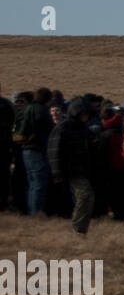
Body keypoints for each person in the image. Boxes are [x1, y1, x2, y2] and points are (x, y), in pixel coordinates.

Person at [47, 97, 94, 234]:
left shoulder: (83, 129)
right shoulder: (63, 128)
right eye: (83, 113)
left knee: (86, 197)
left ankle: (80, 228)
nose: (86, 117)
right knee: (85, 195)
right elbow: (54, 151)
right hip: (70, 170)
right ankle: (78, 228)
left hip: (81, 169)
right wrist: (57, 173)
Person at [13, 87, 55, 217]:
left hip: (26, 148)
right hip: (37, 149)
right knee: (38, 183)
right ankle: (36, 212)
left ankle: (32, 210)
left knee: (32, 183)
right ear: (48, 99)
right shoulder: (41, 110)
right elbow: (48, 130)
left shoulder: (28, 108)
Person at [0, 83, 13, 212]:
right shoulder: (7, 104)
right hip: (4, 146)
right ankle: (3, 204)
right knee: (4, 177)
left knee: (4, 177)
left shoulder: (6, 105)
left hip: (4, 146)